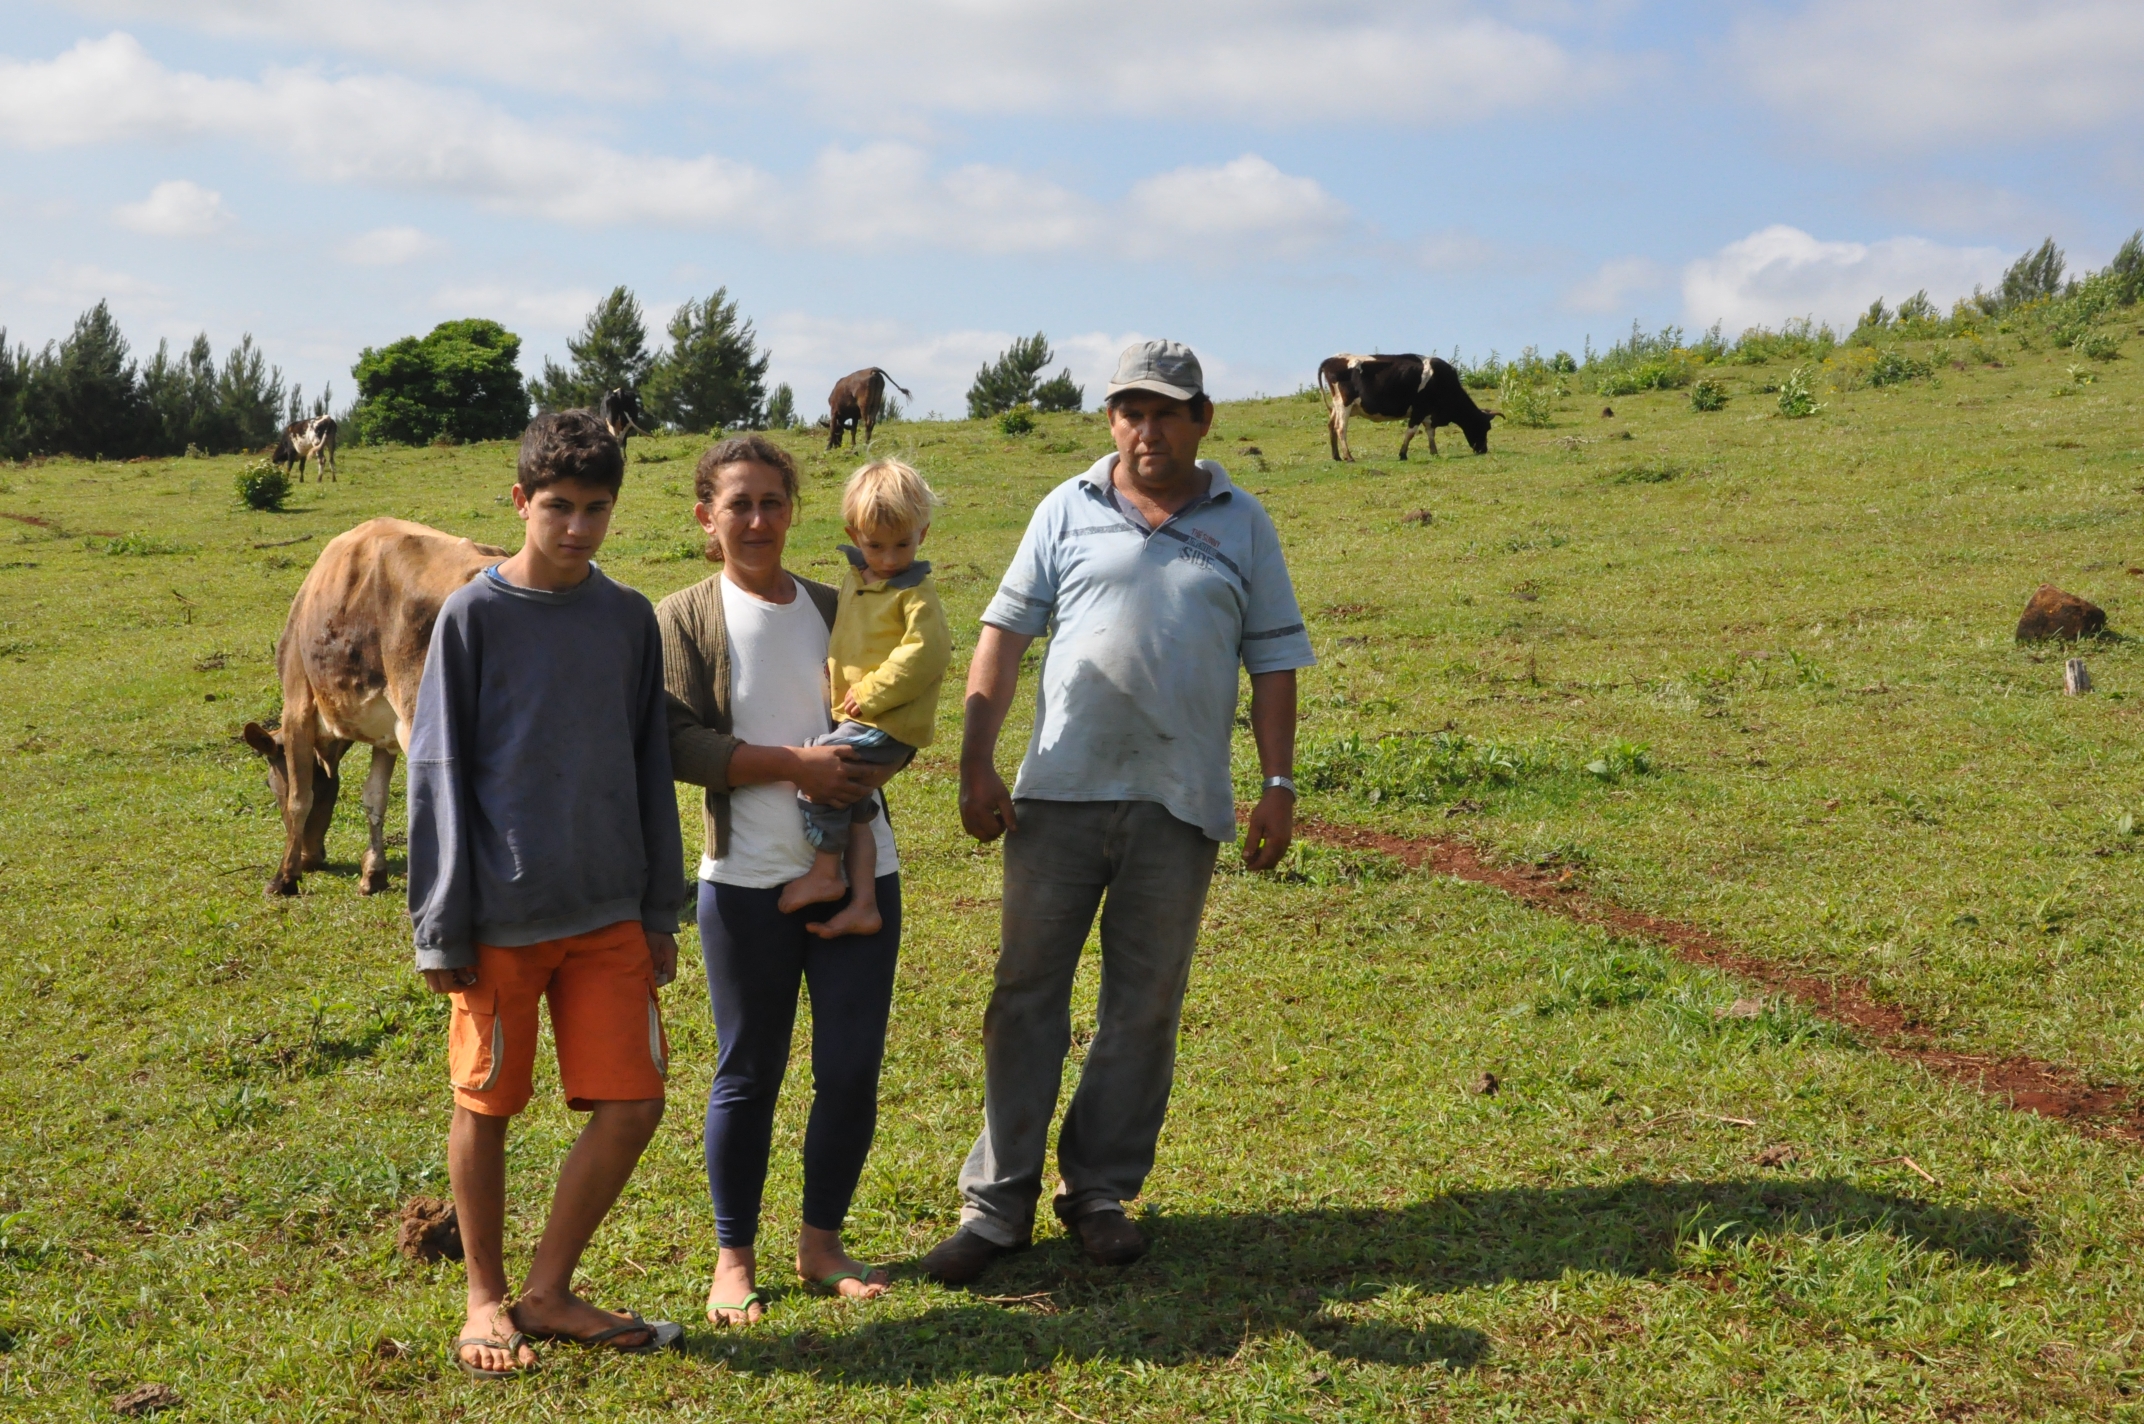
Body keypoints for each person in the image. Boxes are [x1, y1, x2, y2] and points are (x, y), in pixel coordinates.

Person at [921, 340, 1316, 1284]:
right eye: (1131, 412)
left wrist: (1277, 785)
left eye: (1168, 411)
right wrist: (977, 765)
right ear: (1111, 421)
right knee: (1025, 1000)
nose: (1148, 430)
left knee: (1142, 1007)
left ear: (1203, 420)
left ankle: (1098, 1191)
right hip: (1057, 794)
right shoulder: (1067, 507)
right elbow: (1002, 638)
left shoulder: (1242, 521)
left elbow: (1273, 663)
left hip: (1180, 805)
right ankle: (998, 1204)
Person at [407, 410, 687, 1378]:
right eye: (557, 507)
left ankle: (549, 1288)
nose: (575, 527)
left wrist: (659, 907)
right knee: (487, 1104)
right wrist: (441, 921)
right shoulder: (472, 617)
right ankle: (485, 1296)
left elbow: (649, 761)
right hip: (498, 920)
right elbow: (437, 767)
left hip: (609, 910)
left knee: (634, 1103)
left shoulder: (626, 617)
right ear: (520, 501)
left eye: (595, 509)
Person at [658, 434, 905, 1326]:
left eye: (772, 501)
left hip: (861, 875)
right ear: (706, 518)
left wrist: (860, 766)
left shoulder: (838, 605)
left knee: (849, 1072)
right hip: (745, 879)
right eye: (738, 504)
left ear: (794, 508)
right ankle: (733, 1258)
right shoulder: (683, 617)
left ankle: (822, 1243)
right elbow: (679, 741)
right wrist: (793, 766)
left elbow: (885, 711)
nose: (758, 519)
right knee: (746, 1074)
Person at [778, 458, 951, 938]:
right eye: (876, 545)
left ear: (924, 535)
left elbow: (927, 654)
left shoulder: (915, 593)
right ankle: (865, 905)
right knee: (857, 807)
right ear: (854, 535)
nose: (891, 558)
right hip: (866, 713)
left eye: (904, 544)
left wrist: (871, 691)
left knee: (820, 767)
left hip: (887, 719)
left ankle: (826, 874)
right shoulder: (857, 578)